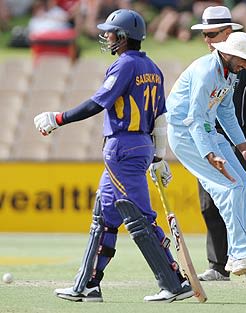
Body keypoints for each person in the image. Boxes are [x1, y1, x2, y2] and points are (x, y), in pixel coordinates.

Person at [33, 9, 194, 303]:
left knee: (140, 219)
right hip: (139, 147)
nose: (106, 37)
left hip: (122, 147)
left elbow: (97, 103)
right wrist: (158, 157)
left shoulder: (124, 66)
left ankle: (174, 282)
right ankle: (88, 285)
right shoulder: (153, 68)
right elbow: (160, 118)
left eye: (110, 33)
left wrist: (58, 118)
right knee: (104, 217)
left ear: (123, 37)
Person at [165, 31, 246, 278]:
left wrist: (245, 149)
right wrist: (208, 155)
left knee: (244, 184)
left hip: (207, 130)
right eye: (243, 60)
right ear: (227, 53)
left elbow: (226, 114)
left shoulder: (229, 74)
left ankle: (242, 251)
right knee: (228, 188)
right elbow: (193, 119)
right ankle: (238, 253)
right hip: (186, 134)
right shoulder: (206, 73)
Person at [187, 5, 246, 282]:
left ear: (228, 32)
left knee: (233, 194)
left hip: (237, 140)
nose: (208, 39)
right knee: (209, 204)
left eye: (213, 33)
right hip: (207, 139)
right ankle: (220, 265)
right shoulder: (206, 67)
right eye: (205, 34)